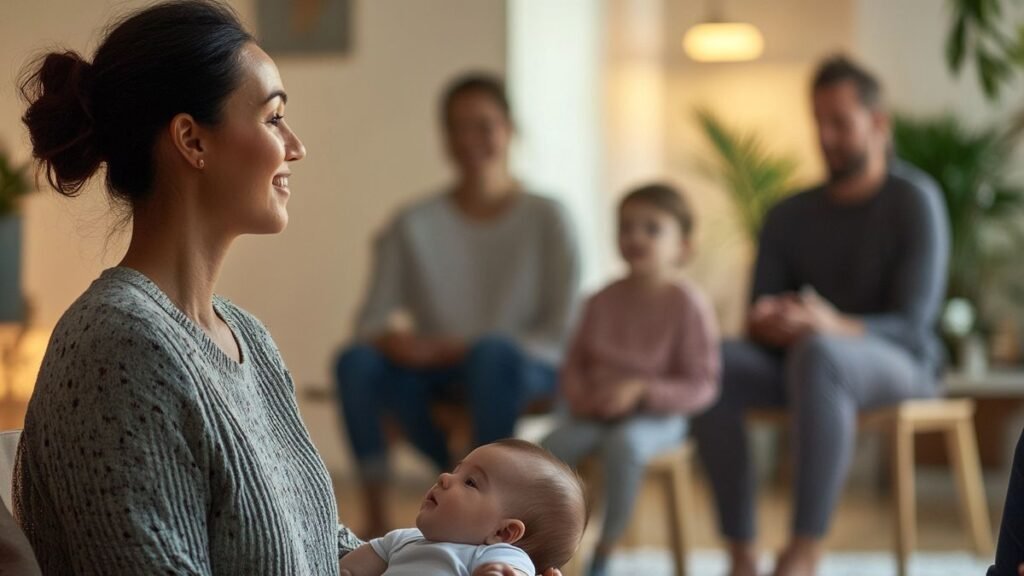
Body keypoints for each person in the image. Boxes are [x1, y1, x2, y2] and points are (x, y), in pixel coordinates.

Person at [12, 3, 566, 576]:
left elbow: (317, 544)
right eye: (274, 117)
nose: (296, 146)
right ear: (191, 141)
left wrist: (462, 559)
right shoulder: (118, 346)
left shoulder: (246, 336)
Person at [692, 55, 950, 576]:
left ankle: (803, 551)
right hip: (800, 363)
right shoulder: (788, 213)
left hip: (902, 364)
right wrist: (776, 319)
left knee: (821, 353)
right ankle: (742, 553)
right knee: (713, 360)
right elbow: (756, 314)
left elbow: (913, 323)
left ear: (879, 124)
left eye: (840, 122)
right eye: (819, 122)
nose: (826, 137)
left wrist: (828, 324)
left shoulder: (914, 201)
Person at [336, 72, 580, 536]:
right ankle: (373, 514)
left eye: (483, 125)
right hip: (437, 372)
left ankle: (480, 503)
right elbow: (370, 322)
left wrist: (460, 348)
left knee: (491, 353)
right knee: (356, 362)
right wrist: (396, 341)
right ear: (444, 137)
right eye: (457, 127)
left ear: (508, 130)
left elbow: (560, 331)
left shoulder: (550, 217)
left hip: (524, 365)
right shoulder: (413, 222)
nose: (470, 139)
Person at [542, 183, 720, 576]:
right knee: (549, 449)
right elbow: (572, 366)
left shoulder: (688, 305)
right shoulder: (598, 301)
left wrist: (642, 390)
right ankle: (545, 545)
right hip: (593, 412)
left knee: (625, 444)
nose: (635, 236)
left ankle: (605, 549)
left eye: (652, 228)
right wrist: (583, 399)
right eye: (626, 227)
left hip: (656, 417)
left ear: (683, 247)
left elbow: (702, 384)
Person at [339, 440, 587, 576]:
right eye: (457, 470)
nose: (445, 477)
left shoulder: (493, 556)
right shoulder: (401, 540)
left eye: (470, 482)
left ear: (503, 533)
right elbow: (341, 568)